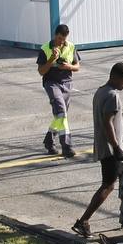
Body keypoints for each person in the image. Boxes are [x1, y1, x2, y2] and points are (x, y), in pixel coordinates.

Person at [72, 62, 123, 238]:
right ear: (115, 77)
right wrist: (116, 147)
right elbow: (108, 123)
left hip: (103, 145)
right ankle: (83, 221)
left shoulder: (100, 91)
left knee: (116, 183)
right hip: (110, 149)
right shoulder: (113, 95)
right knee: (108, 185)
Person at [36, 24, 81, 157]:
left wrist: (68, 67)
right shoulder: (45, 49)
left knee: (60, 115)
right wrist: (51, 59)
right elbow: (41, 71)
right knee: (61, 111)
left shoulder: (71, 46)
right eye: (60, 38)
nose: (62, 41)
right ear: (55, 35)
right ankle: (67, 146)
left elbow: (77, 66)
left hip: (67, 83)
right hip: (51, 83)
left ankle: (49, 140)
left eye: (64, 39)